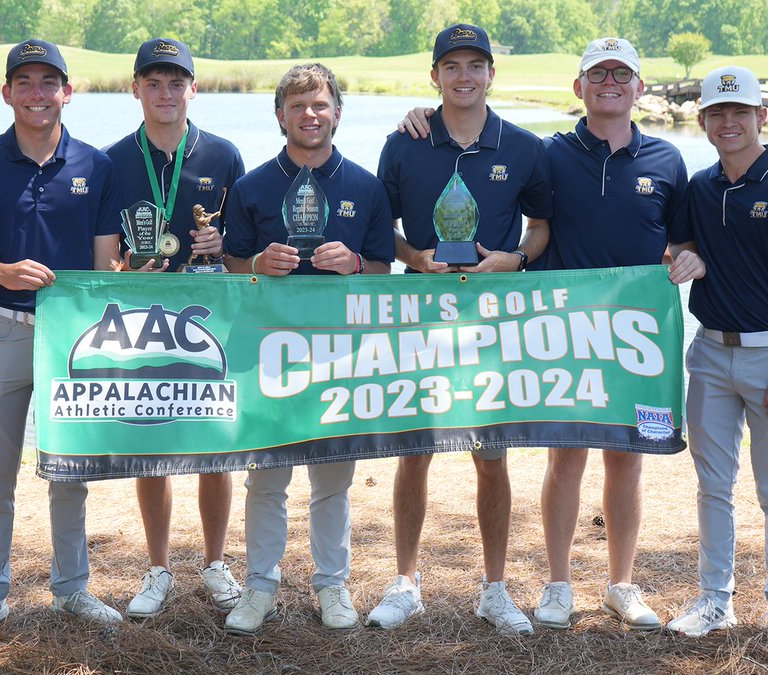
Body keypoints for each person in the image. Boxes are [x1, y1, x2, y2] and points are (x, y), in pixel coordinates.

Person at [394, 36, 706, 633]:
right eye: (597, 74)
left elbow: (683, 239)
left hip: (634, 332)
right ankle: (558, 585)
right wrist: (421, 116)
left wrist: (689, 260)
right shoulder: (549, 153)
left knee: (628, 460)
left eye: (621, 75)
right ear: (578, 87)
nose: (609, 83)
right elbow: (525, 212)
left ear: (639, 87)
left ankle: (621, 584)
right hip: (564, 329)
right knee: (566, 458)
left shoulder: (667, 161)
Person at [367, 23, 552, 636]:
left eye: (476, 65)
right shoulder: (405, 142)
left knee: (490, 456)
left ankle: (495, 588)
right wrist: (414, 258)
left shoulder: (524, 147)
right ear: (435, 76)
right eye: (452, 66)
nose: (464, 76)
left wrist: (515, 260)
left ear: (491, 74)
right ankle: (406, 582)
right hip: (419, 317)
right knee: (414, 452)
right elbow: (378, 230)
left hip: (491, 321)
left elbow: (543, 229)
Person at [0, 39, 124, 638]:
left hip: (71, 338)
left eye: (50, 82)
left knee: (68, 471)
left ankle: (71, 589)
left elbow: (104, 266)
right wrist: (0, 271)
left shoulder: (97, 167)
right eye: (25, 82)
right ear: (7, 93)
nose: (38, 93)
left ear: (67, 93)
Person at [220, 62, 394, 635]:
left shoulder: (367, 187)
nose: (310, 115)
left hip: (339, 352)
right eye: (298, 107)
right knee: (266, 475)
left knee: (332, 478)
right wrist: (254, 266)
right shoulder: (251, 187)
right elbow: (231, 266)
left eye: (320, 105)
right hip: (268, 348)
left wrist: (357, 265)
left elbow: (381, 268)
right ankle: (260, 585)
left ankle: (332, 585)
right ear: (280, 116)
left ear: (337, 113)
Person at [667, 66, 768, 652]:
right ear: (704, 120)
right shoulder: (699, 187)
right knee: (713, 486)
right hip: (709, 353)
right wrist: (686, 259)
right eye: (717, 113)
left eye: (740, 112)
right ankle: (715, 600)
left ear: (762, 116)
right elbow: (682, 244)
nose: (728, 122)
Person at [103, 37, 245, 618]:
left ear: (194, 86)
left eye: (176, 82)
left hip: (209, 318)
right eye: (153, 82)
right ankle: (158, 567)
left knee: (214, 447)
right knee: (153, 442)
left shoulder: (224, 156)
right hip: (142, 322)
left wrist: (223, 242)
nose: (166, 93)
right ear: (135, 88)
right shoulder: (109, 160)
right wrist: (120, 266)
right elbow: (102, 253)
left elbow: (246, 250)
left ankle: (214, 562)